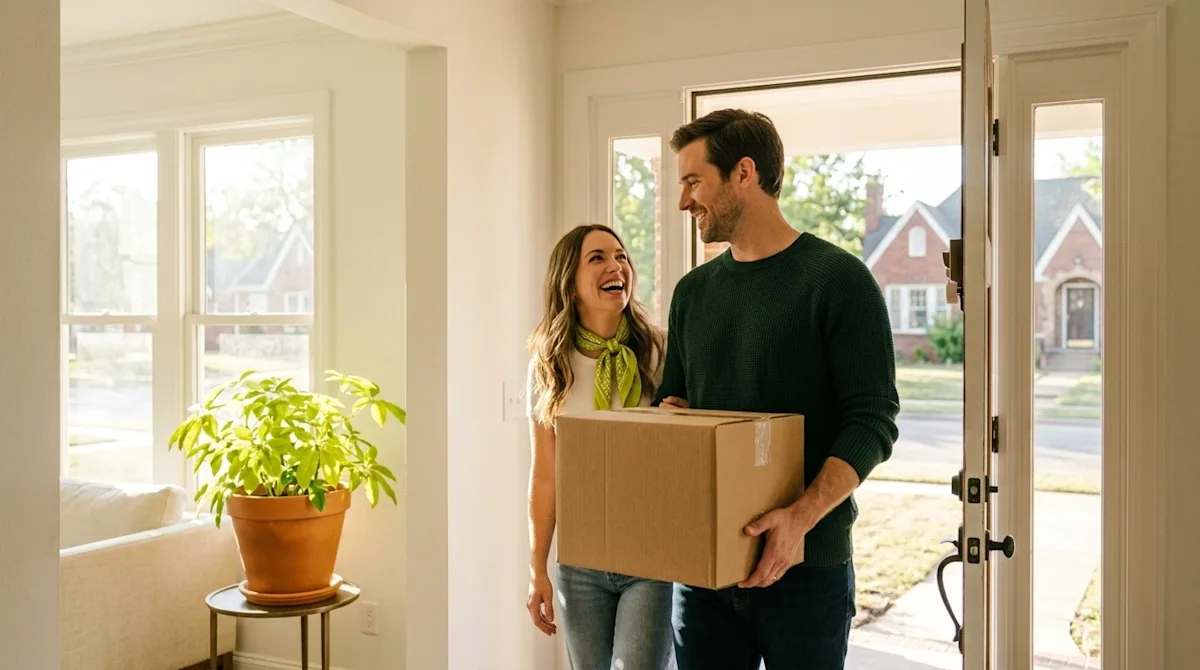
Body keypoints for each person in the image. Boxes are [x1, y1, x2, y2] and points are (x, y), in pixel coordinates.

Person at [655, 109, 900, 669]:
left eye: (693, 182)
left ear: (744, 173)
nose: (683, 201)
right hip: (704, 575)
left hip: (806, 571)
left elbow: (873, 420)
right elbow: (674, 403)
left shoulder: (838, 281)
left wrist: (799, 519)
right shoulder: (692, 294)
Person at [524, 223, 674, 670]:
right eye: (598, 258)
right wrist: (537, 569)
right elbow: (545, 476)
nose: (616, 266)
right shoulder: (549, 365)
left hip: (650, 556)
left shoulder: (659, 351)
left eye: (621, 256)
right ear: (569, 282)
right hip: (580, 561)